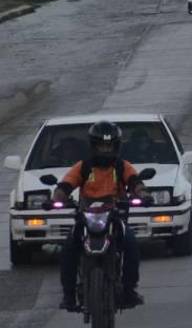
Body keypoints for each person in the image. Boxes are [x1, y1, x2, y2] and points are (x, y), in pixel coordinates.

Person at [54, 121, 147, 311]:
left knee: (131, 245)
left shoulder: (122, 166)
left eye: (109, 146)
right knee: (68, 248)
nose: (105, 150)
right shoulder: (83, 167)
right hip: (86, 217)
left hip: (115, 217)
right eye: (101, 146)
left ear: (116, 146)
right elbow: (65, 185)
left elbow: (135, 182)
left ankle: (129, 290)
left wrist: (143, 194)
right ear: (93, 146)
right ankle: (69, 295)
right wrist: (57, 198)